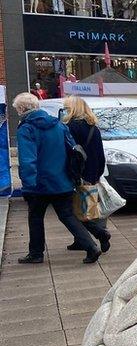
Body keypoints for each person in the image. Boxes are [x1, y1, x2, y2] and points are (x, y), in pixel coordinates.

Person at [13, 92, 100, 264]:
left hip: (39, 184)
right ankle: (91, 247)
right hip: (62, 181)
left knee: (35, 218)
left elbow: (27, 159)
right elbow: (73, 151)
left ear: (22, 109)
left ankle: (36, 253)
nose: (17, 111)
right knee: (67, 216)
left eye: (17, 109)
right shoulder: (59, 125)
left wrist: (28, 184)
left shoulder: (26, 129)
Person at [63, 96, 111, 253]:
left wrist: (73, 175)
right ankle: (81, 240)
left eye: (67, 107)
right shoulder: (93, 127)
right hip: (92, 173)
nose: (65, 110)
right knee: (88, 207)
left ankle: (100, 235)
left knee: (73, 210)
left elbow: (70, 154)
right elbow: (100, 154)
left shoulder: (70, 127)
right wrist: (97, 173)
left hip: (78, 174)